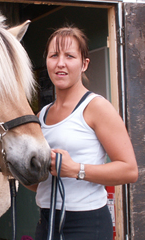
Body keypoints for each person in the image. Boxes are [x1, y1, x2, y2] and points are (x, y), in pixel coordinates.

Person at [27, 26, 138, 240]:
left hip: (86, 224)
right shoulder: (40, 115)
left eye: (70, 56)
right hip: (46, 222)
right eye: (54, 55)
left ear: (84, 64)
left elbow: (129, 170)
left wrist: (75, 169)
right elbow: (36, 184)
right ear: (47, 62)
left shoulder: (96, 107)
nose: (61, 63)